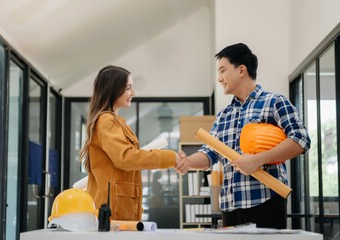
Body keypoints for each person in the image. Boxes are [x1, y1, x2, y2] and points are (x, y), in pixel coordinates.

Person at [175, 43, 311, 229]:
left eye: (223, 70)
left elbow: (300, 139)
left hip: (266, 203)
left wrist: (257, 160)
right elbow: (210, 153)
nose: (219, 78)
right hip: (229, 207)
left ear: (241, 70)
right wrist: (187, 162)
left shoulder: (274, 102)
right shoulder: (224, 115)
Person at [79, 65, 183, 221]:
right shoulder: (106, 121)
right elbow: (126, 158)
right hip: (113, 211)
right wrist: (169, 157)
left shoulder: (116, 123)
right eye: (128, 88)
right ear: (113, 89)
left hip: (120, 208)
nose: (133, 93)